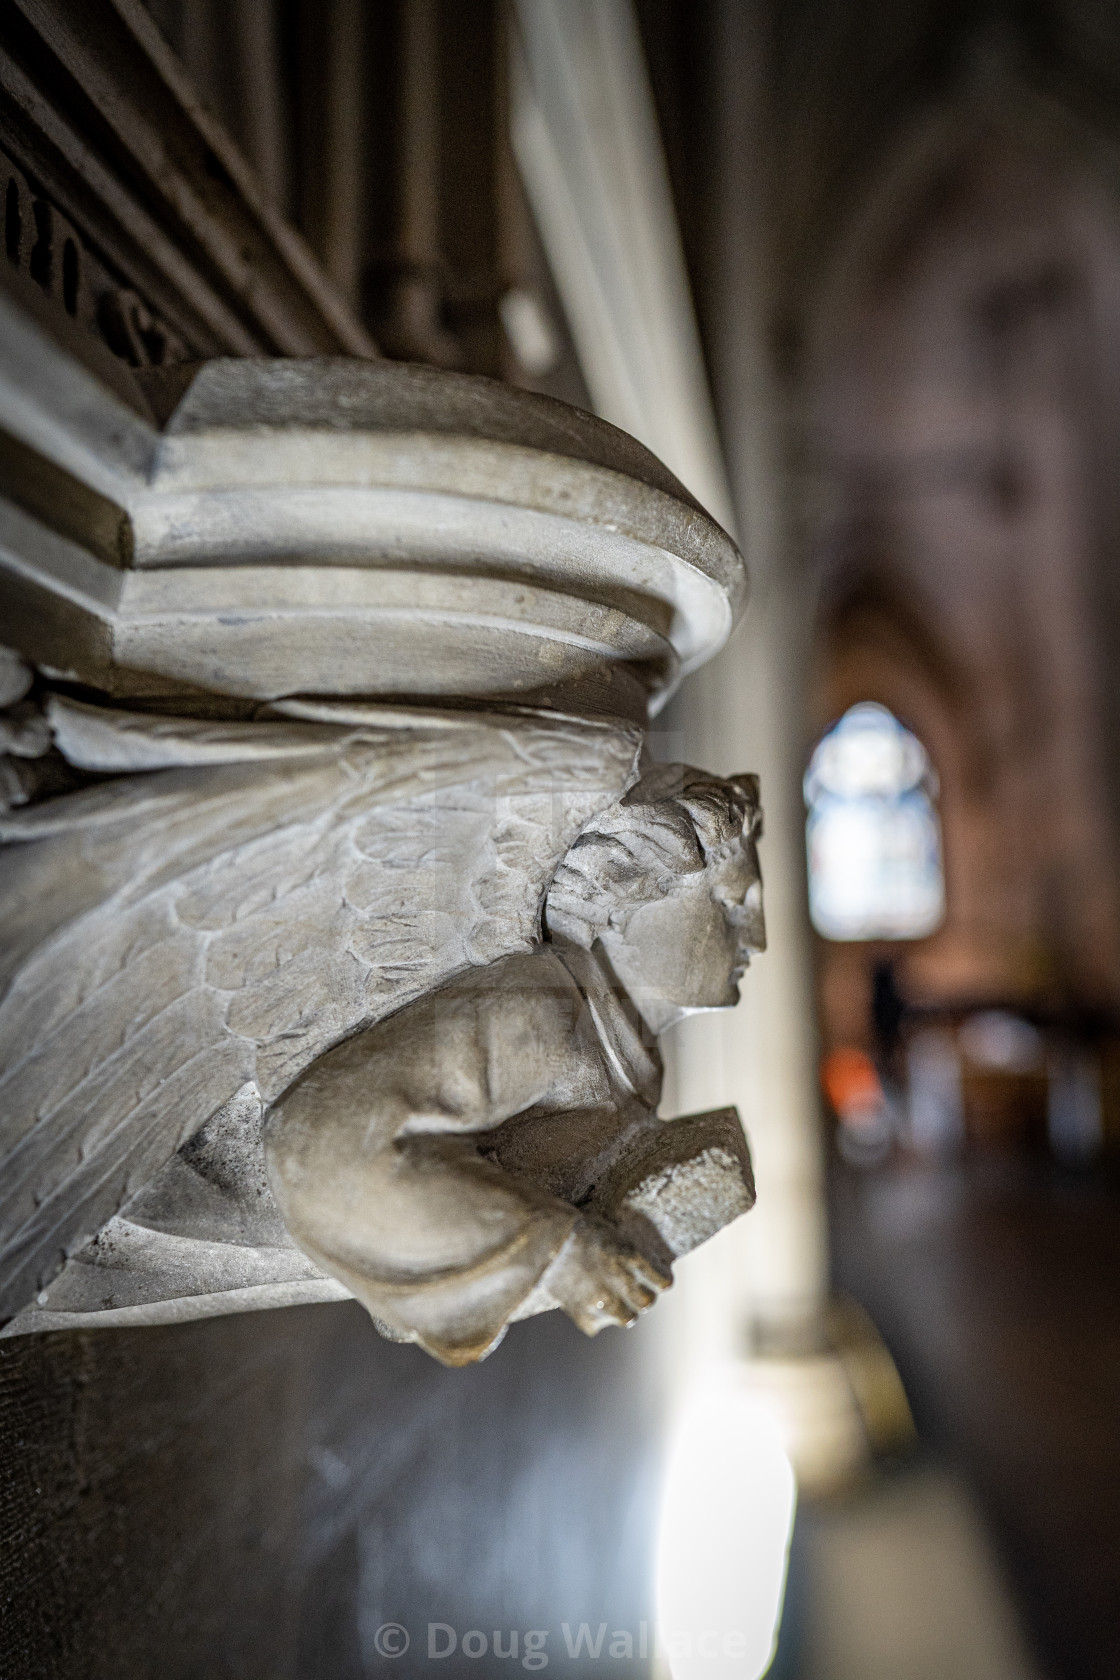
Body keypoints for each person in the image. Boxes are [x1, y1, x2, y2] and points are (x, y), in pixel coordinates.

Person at [264, 764, 764, 1364]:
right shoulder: (544, 1010)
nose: (756, 938)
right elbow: (316, 1148)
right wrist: (560, 1252)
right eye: (732, 903)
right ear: (631, 897)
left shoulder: (622, 1060)